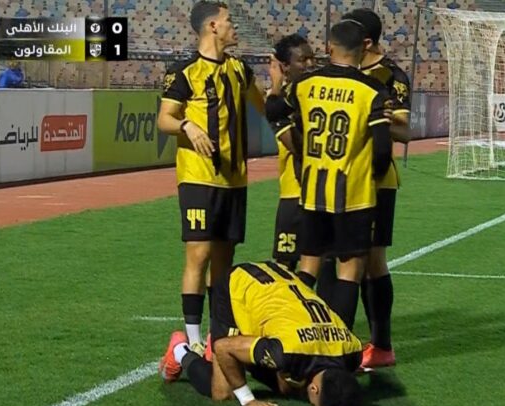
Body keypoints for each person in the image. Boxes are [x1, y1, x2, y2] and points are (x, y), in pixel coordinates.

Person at [266, 20, 393, 330]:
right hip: (354, 196)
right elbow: (382, 150)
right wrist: (372, 179)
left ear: (329, 48)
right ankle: (338, 343)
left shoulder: (305, 84)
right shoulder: (372, 90)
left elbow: (275, 112)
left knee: (308, 264)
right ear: (361, 50)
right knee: (349, 270)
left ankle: (295, 330)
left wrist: (275, 87)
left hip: (312, 191)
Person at [158, 1, 265, 347]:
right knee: (199, 253)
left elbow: (265, 105)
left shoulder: (240, 69)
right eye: (229, 20)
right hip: (199, 176)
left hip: (235, 179)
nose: (235, 26)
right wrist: (187, 126)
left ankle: (217, 333)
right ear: (212, 27)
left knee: (224, 257)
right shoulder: (185, 71)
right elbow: (164, 119)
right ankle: (192, 337)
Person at [158, 261, 363, 406]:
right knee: (223, 392)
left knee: (287, 385)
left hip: (279, 281)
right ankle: (180, 351)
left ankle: (245, 354)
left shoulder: (353, 351)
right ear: (314, 388)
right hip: (238, 286)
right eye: (313, 402)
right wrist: (247, 398)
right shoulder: (285, 352)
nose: (310, 401)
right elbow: (223, 347)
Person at [341, 8, 412, 369]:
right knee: (337, 259)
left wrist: (379, 121)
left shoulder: (391, 77)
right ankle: (340, 338)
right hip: (339, 179)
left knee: (372, 261)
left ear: (366, 41)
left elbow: (404, 130)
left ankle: (381, 345)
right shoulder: (343, 70)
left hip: (376, 180)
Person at [267, 34, 316, 270]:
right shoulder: (281, 100)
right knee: (286, 266)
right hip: (294, 194)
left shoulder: (318, 92)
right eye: (303, 60)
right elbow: (296, 148)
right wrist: (276, 86)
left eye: (312, 58)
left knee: (323, 263)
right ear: (284, 66)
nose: (310, 64)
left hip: (319, 192)